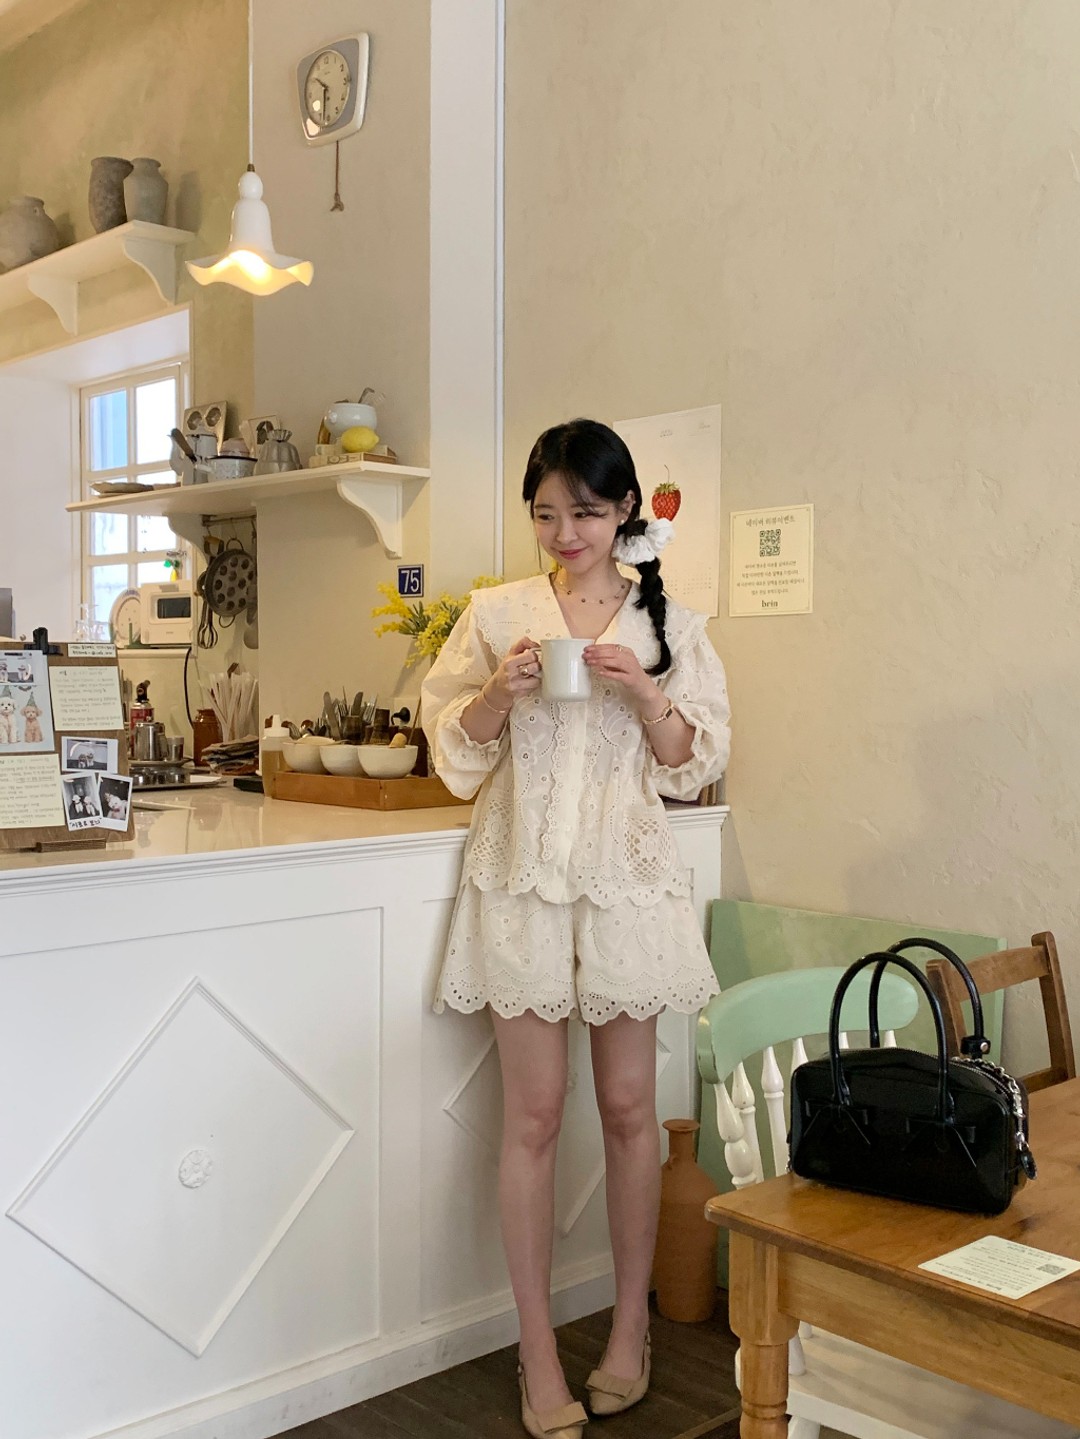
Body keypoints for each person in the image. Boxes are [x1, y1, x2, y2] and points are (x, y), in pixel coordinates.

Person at [421, 418, 731, 1439]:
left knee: (633, 1108)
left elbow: (691, 762)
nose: (565, 532)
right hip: (519, 879)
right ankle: (538, 1349)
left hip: (626, 880)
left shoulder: (671, 622)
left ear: (625, 509)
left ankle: (630, 1329)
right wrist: (494, 696)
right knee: (534, 1116)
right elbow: (453, 755)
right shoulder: (496, 614)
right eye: (546, 512)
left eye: (586, 512)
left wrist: (643, 690)